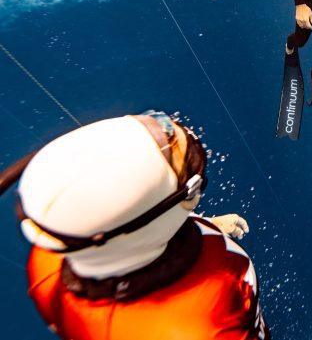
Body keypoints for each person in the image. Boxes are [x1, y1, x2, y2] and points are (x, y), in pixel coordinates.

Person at [2, 111, 269, 340]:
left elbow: (116, 220)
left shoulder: (51, 262)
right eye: (188, 187)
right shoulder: (199, 330)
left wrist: (200, 225)